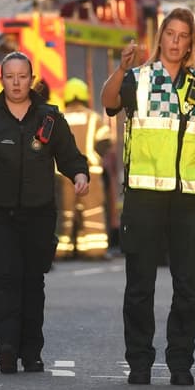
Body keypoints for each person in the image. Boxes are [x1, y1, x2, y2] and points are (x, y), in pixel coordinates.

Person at [101, 8, 195, 387]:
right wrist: (121, 69)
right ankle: (139, 362)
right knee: (140, 284)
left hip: (188, 198)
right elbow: (109, 103)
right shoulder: (140, 78)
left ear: (191, 42)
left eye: (182, 36)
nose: (175, 41)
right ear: (161, 38)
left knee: (188, 286)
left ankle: (180, 362)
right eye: (170, 34)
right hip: (144, 195)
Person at [0, 51, 89, 375]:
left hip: (37, 215)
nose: (17, 83)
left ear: (31, 78)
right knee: (5, 279)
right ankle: (7, 348)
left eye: (22, 76)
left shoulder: (49, 118)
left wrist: (80, 175)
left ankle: (31, 351)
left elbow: (70, 155)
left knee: (32, 284)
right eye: (10, 77)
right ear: (1, 80)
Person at [56, 78, 115, 259]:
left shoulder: (58, 117)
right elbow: (105, 141)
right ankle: (93, 250)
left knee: (64, 213)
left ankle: (61, 250)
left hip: (62, 176)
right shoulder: (93, 118)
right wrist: (95, 157)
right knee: (92, 213)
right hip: (90, 173)